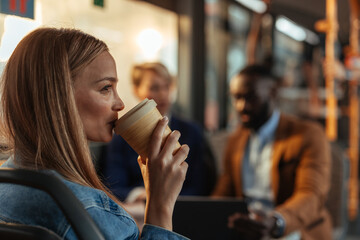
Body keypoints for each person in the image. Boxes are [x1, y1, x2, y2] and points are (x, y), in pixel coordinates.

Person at [0, 28, 190, 239]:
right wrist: (160, 207)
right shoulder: (88, 212)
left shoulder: (6, 184)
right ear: (60, 98)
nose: (120, 103)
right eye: (106, 88)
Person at [212, 64, 332, 239]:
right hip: (248, 230)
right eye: (236, 98)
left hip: (292, 227)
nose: (241, 106)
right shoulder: (236, 140)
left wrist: (277, 221)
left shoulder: (308, 135)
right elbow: (224, 191)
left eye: (251, 98)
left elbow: (311, 195)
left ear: (273, 93)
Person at [100, 62, 217, 203]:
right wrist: (147, 196)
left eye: (167, 87)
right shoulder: (121, 138)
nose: (163, 94)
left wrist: (163, 199)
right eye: (154, 88)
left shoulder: (192, 131)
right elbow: (113, 187)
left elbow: (200, 187)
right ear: (136, 90)